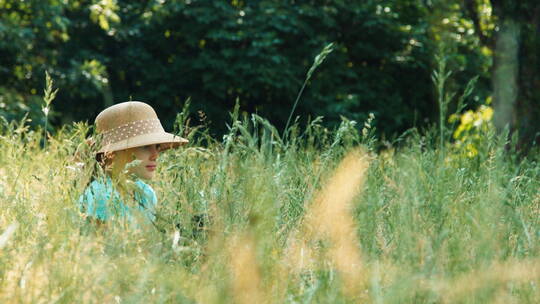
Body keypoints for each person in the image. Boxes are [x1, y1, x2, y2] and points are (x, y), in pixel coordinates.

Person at [78, 101, 188, 226]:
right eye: (145, 146)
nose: (155, 155)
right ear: (112, 153)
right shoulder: (100, 195)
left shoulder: (147, 194)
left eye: (157, 146)